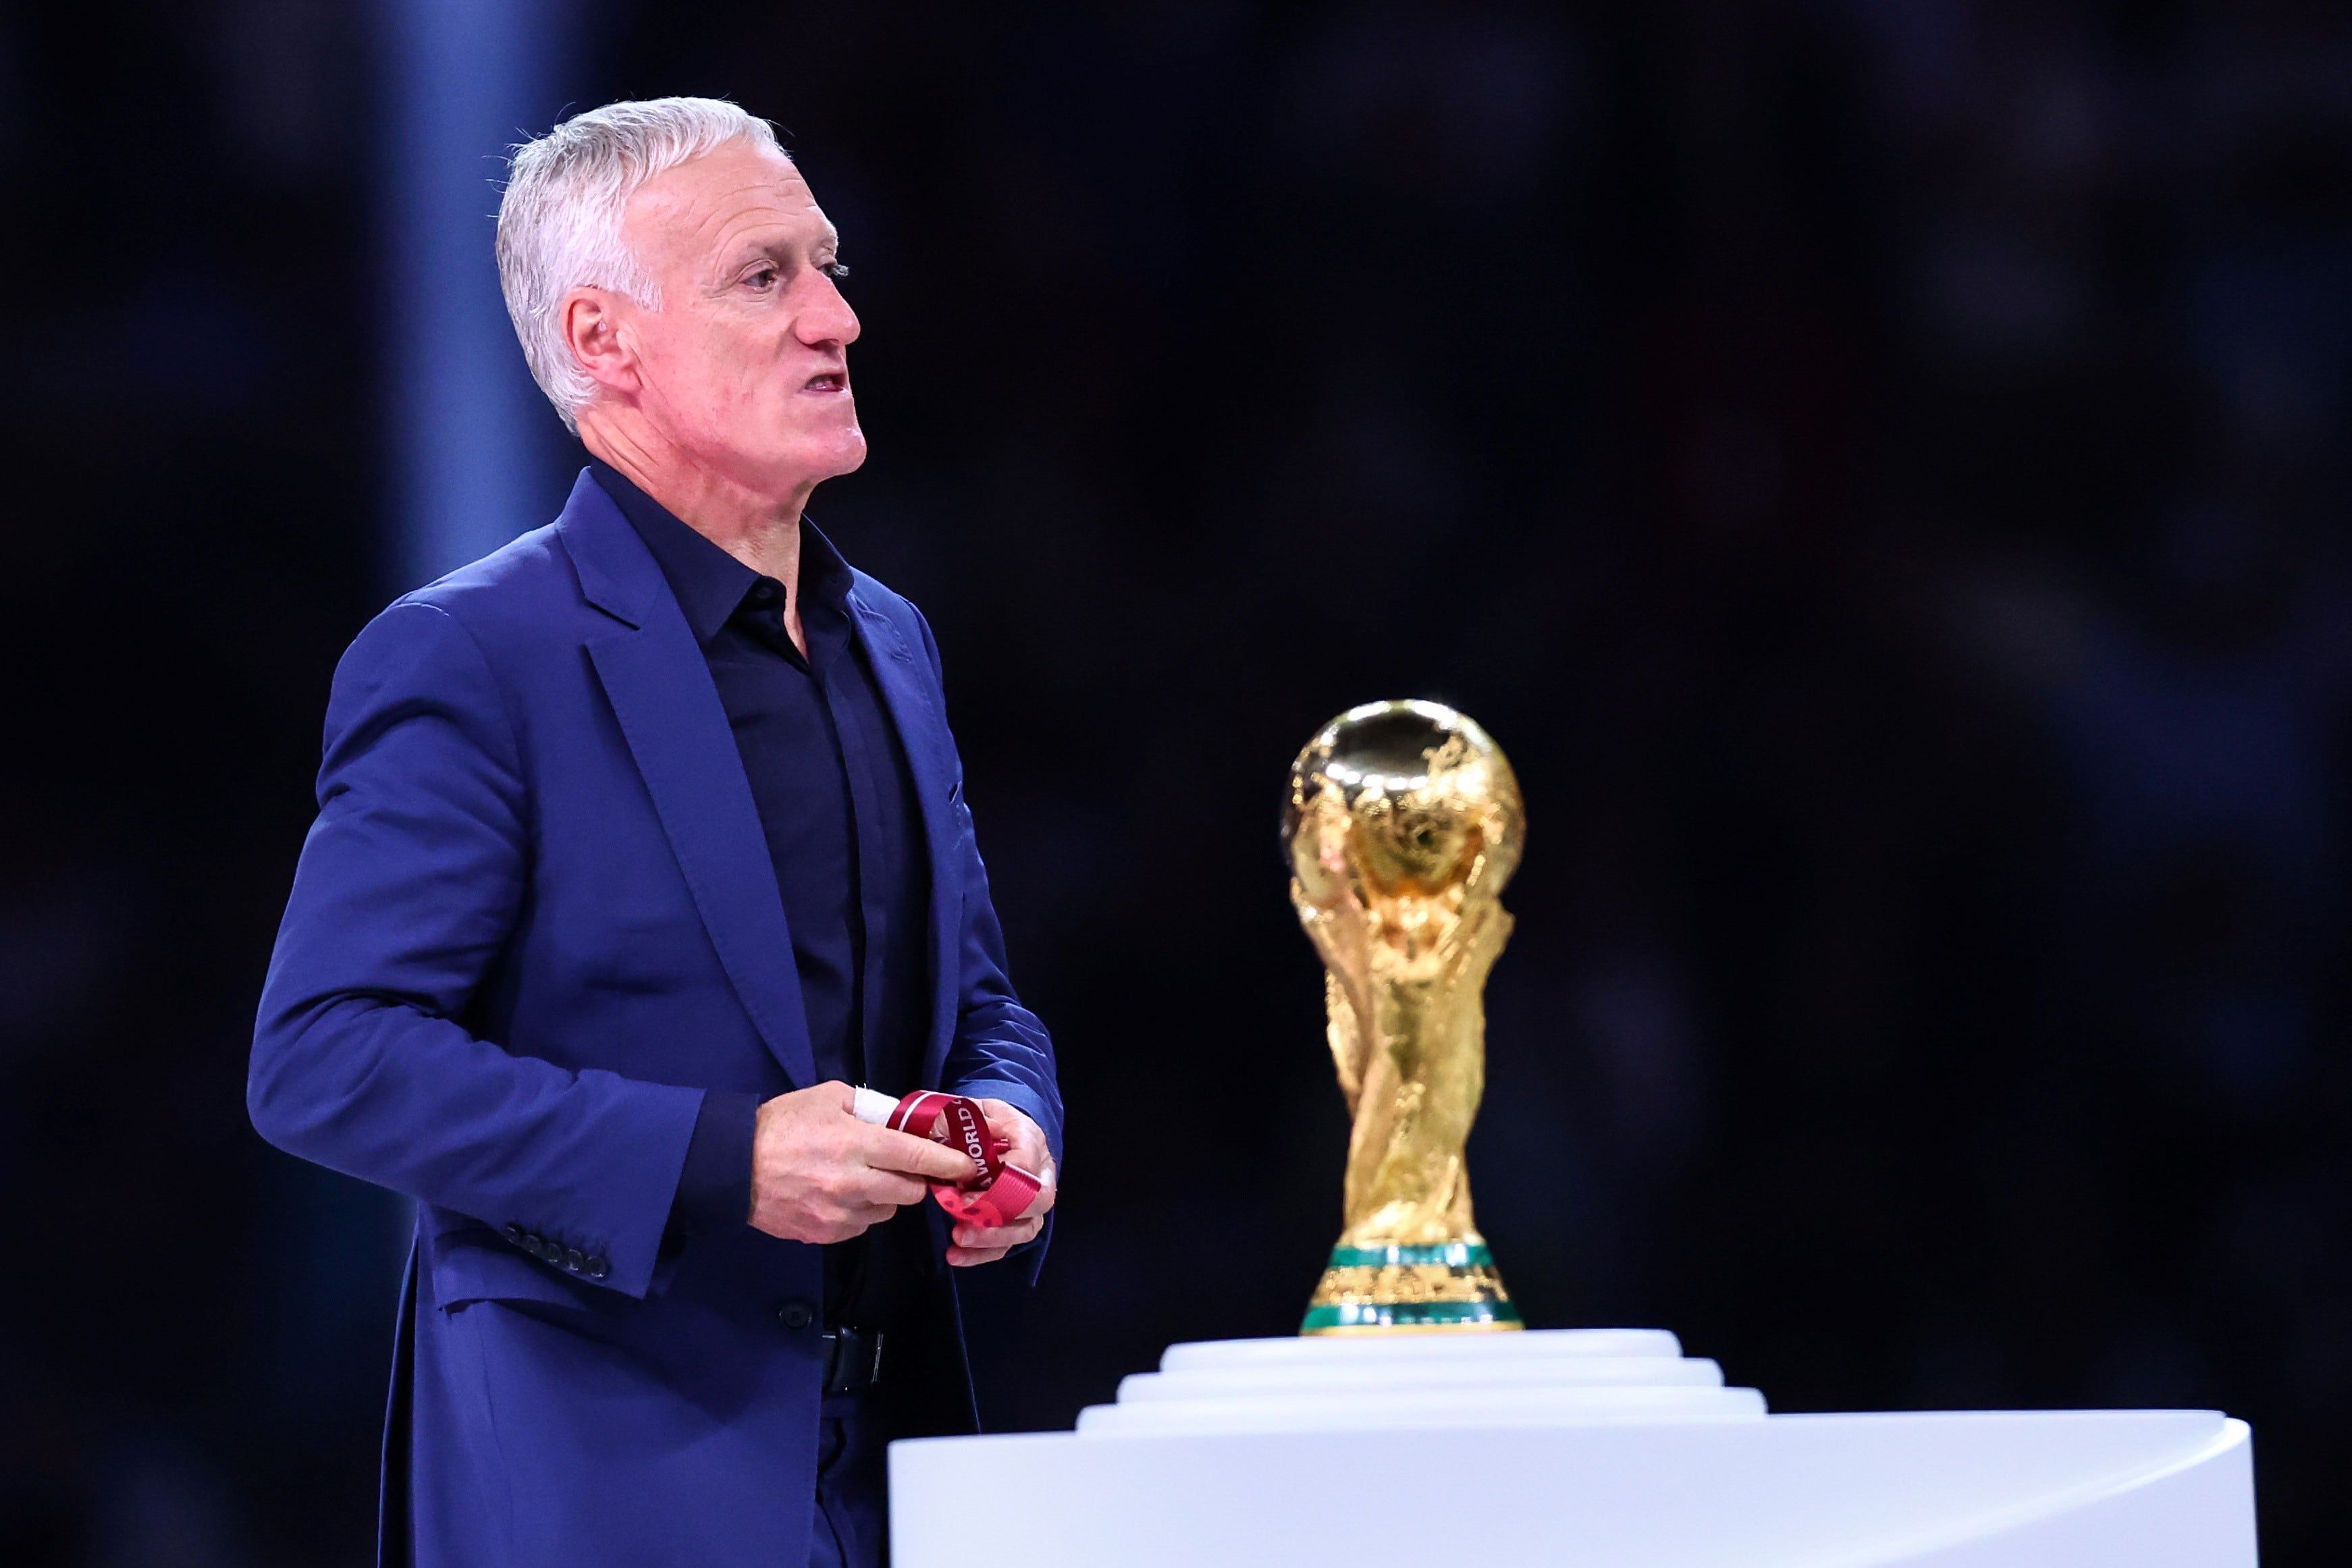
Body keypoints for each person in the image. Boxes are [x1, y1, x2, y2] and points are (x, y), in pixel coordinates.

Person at [248, 97, 1061, 1568]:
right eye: (764, 278)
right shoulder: (473, 656)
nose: (833, 319)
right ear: (605, 340)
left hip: (900, 1478)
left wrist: (1013, 1121)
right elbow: (325, 1053)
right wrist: (720, 1161)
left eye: (827, 267)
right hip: (599, 1484)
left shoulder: (890, 639)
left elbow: (982, 1003)